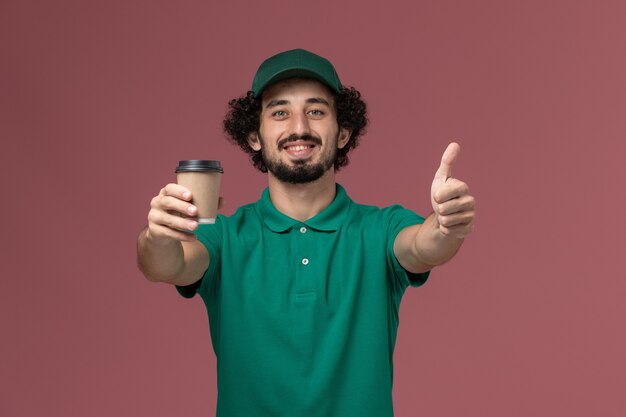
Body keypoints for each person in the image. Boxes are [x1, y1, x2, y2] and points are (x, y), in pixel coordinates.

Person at [137, 48, 475, 417]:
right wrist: (159, 235)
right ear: (254, 135)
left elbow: (424, 245)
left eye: (315, 111)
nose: (299, 127)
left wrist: (446, 224)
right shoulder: (225, 237)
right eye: (280, 112)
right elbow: (165, 265)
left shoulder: (380, 229)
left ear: (343, 131)